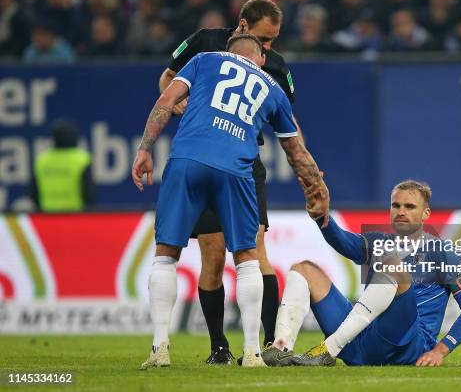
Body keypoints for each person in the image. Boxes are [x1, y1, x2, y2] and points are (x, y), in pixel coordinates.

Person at [133, 34, 329, 369]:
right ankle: (252, 352)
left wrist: (145, 148)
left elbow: (166, 100)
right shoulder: (273, 88)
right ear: (261, 59)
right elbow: (296, 152)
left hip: (188, 161)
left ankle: (160, 347)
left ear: (229, 52)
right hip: (236, 170)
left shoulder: (205, 59)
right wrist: (318, 187)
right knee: (247, 257)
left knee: (166, 254)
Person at [158, 0, 299, 365]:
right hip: (204, 153)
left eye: (273, 41)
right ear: (242, 24)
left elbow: (285, 120)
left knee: (256, 252)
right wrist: (177, 104)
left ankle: (271, 345)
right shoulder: (205, 43)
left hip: (244, 163)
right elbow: (168, 78)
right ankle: (219, 348)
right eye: (263, 39)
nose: (268, 49)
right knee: (213, 256)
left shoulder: (277, 67)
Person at [262, 180, 461, 366]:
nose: (401, 212)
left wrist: (440, 351)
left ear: (426, 213)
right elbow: (343, 242)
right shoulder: (378, 242)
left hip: (408, 346)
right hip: (361, 340)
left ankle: (327, 350)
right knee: (304, 269)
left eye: (410, 206)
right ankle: (280, 348)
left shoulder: (444, 254)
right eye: (395, 205)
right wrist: (322, 218)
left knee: (392, 266)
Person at [32, 119, 93, 212]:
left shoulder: (42, 160)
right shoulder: (82, 159)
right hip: (75, 215)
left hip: (47, 216)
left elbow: (33, 193)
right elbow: (89, 193)